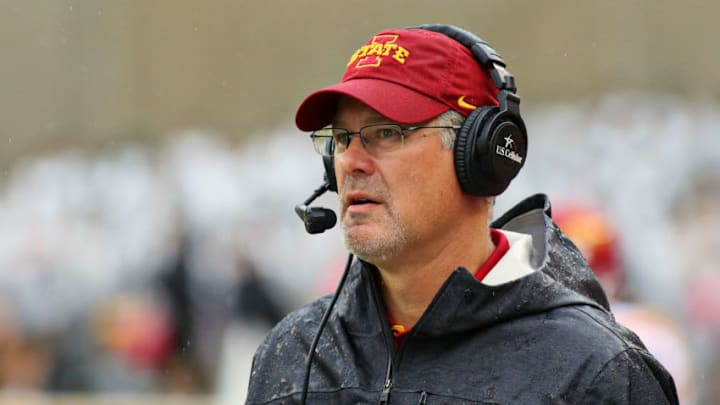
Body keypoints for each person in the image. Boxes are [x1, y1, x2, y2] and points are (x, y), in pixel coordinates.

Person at [246, 24, 679, 404]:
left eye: (386, 133)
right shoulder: (293, 352)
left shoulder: (594, 372)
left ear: (480, 155)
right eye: (341, 138)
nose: (350, 162)